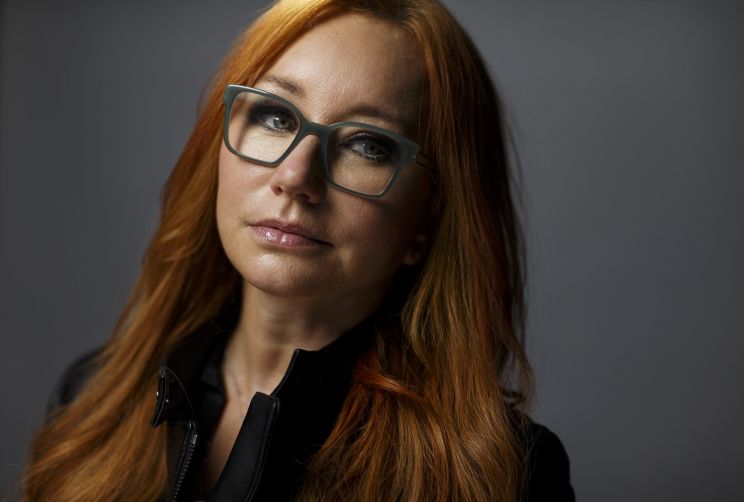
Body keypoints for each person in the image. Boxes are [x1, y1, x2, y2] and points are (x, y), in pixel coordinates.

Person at [23, 0, 575, 500]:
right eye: (275, 116)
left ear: (428, 220)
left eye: (367, 144)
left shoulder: (505, 479)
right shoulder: (90, 399)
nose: (295, 177)